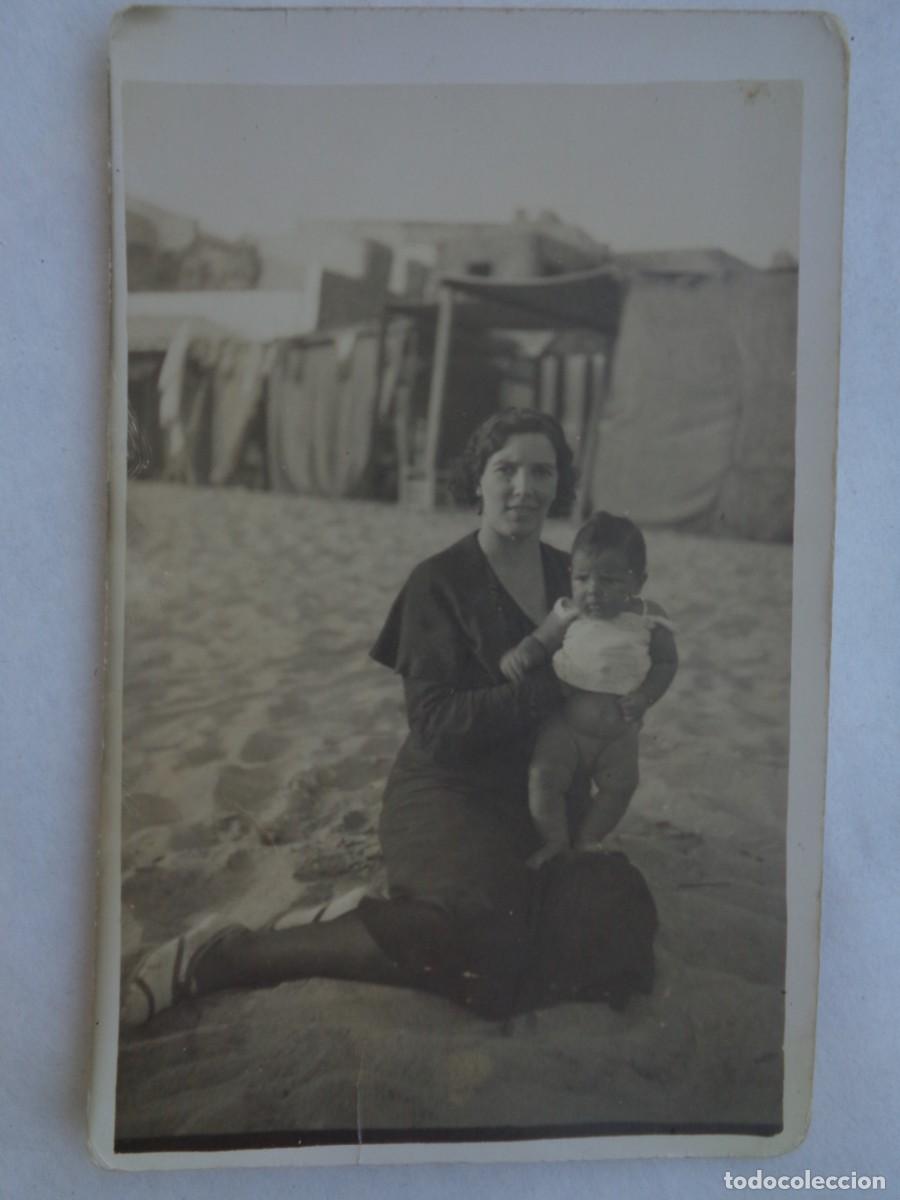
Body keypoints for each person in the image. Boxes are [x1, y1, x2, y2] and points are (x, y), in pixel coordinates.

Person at [121, 409, 657, 1029]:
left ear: (559, 483)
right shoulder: (440, 582)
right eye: (505, 469)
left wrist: (622, 699)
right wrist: (550, 688)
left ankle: (373, 920)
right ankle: (227, 956)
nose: (524, 487)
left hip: (542, 791)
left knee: (615, 919)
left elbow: (621, 666)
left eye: (542, 471)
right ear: (476, 481)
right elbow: (438, 725)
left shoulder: (579, 577)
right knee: (471, 938)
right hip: (448, 791)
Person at [500, 512, 678, 866]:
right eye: (582, 578)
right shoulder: (569, 613)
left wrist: (645, 697)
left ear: (638, 583)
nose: (592, 589)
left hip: (619, 734)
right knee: (543, 778)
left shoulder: (648, 617)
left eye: (609, 580)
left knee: (621, 787)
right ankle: (554, 841)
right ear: (571, 577)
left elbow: (666, 664)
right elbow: (540, 641)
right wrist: (520, 653)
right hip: (566, 726)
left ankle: (588, 838)